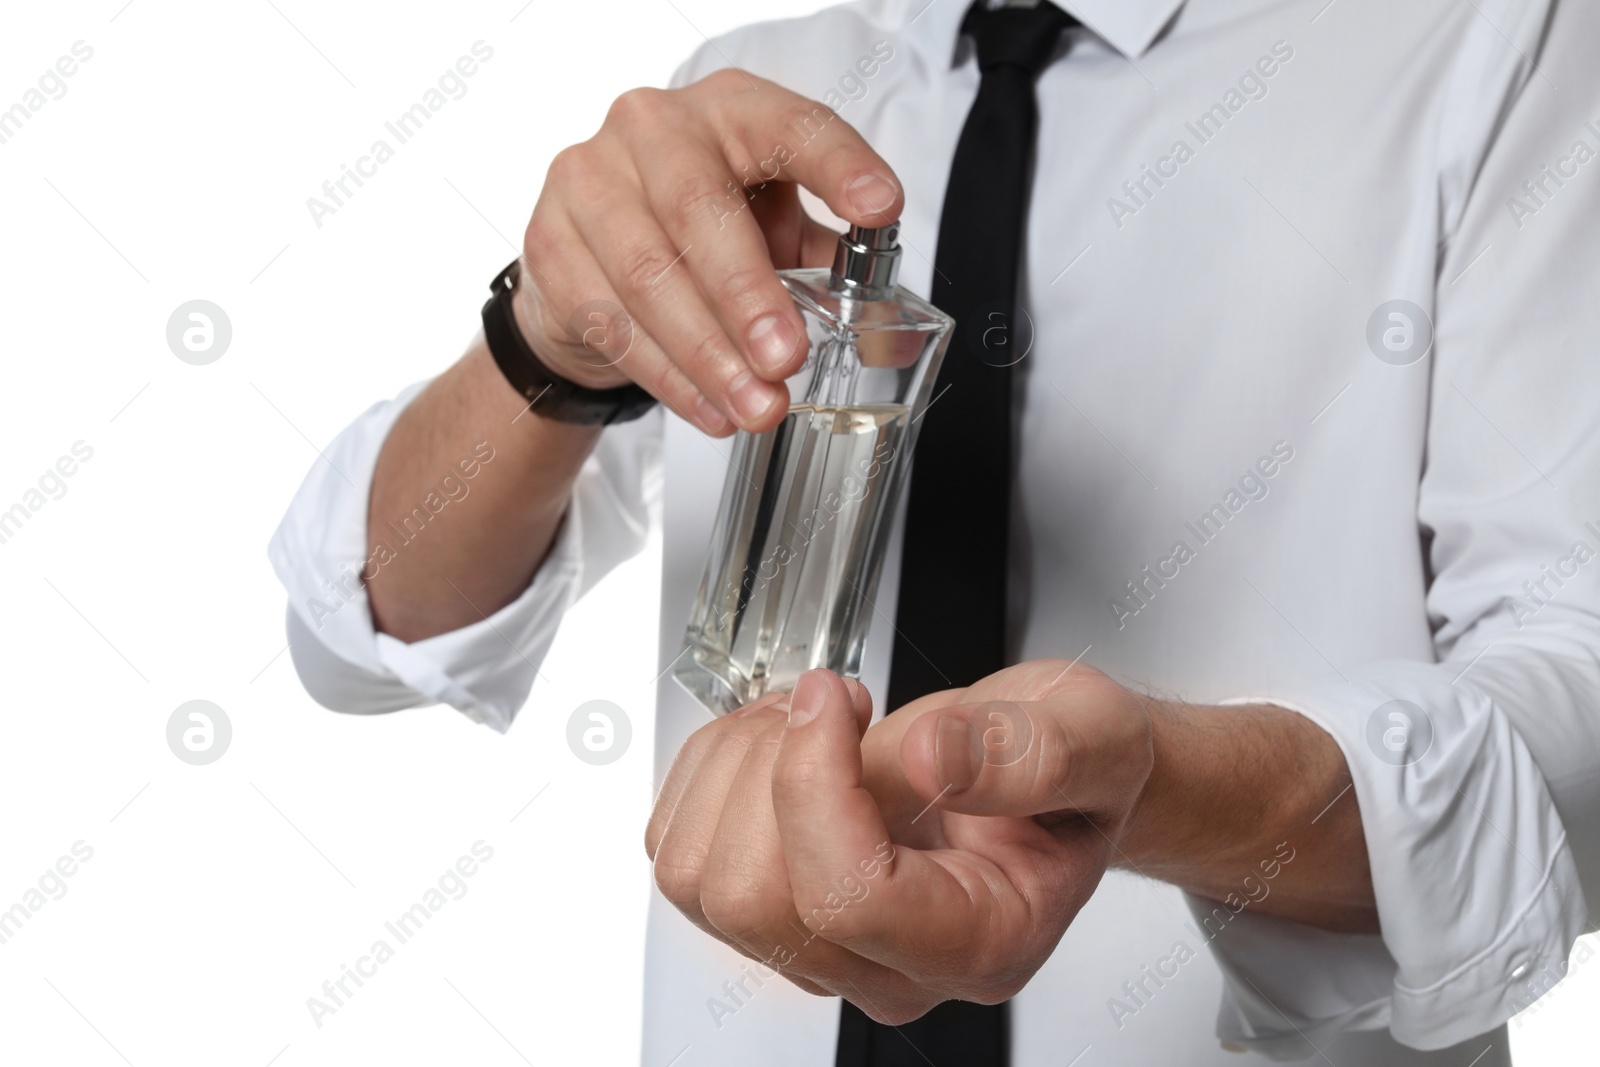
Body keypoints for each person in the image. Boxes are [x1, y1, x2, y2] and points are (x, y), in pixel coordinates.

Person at [268, 0, 1600, 1063]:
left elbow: (1579, 697)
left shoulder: (1493, 41)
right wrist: (549, 347)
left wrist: (1161, 785)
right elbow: (370, 629)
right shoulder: (756, 89)